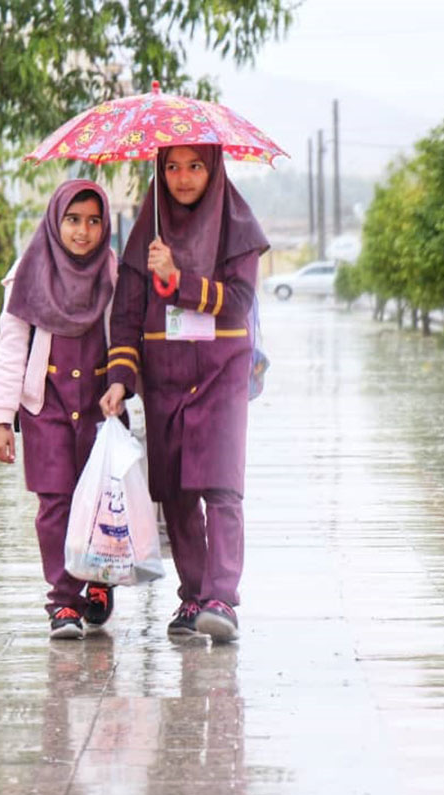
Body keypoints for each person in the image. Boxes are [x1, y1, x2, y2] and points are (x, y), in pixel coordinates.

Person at [100, 144, 268, 643]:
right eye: (172, 167)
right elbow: (127, 313)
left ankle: (222, 598)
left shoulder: (236, 224)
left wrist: (179, 280)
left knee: (220, 486)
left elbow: (238, 303)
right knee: (173, 489)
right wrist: (120, 378)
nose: (183, 177)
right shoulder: (146, 233)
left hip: (221, 371)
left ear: (214, 167)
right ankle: (193, 596)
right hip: (165, 373)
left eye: (195, 166)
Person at [0, 179, 118, 640]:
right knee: (55, 503)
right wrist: (3, 418)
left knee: (102, 498)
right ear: (55, 220)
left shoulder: (112, 271)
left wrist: (123, 385)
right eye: (72, 220)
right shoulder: (28, 272)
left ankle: (100, 581)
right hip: (46, 406)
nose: (82, 231)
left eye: (93, 221)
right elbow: (11, 350)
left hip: (101, 405)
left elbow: (123, 336)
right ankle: (63, 601)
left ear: (105, 226)